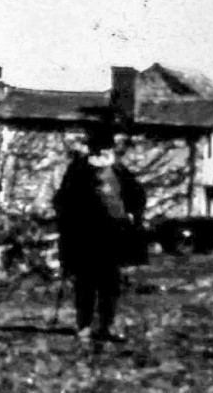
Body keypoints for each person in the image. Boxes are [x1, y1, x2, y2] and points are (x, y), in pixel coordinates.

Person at [53, 130, 145, 343]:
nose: (102, 152)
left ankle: (107, 325)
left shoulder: (119, 169)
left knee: (110, 283)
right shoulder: (78, 169)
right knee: (85, 283)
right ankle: (84, 325)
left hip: (113, 235)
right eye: (98, 147)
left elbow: (137, 194)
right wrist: (68, 222)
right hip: (85, 235)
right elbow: (63, 200)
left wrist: (133, 214)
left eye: (106, 147)